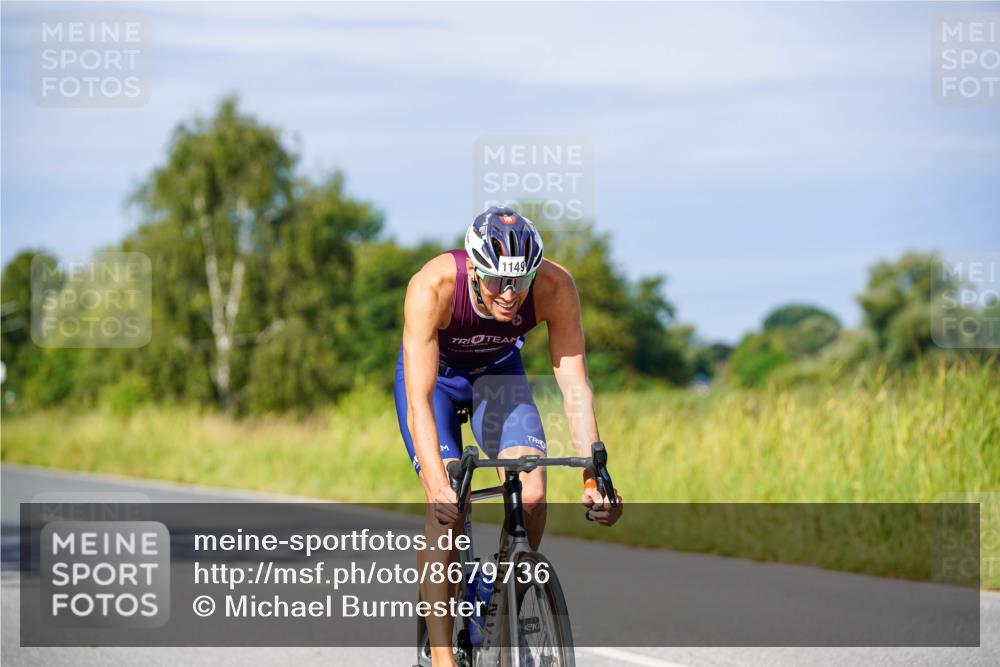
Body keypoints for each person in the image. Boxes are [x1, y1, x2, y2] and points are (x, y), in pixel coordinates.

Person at [394, 206, 623, 666]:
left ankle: (504, 595)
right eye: (498, 280)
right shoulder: (432, 286)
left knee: (533, 492)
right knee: (448, 513)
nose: (510, 293)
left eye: (520, 282)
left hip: (497, 379)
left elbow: (574, 383)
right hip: (434, 386)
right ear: (476, 269)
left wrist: (595, 474)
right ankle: (441, 655)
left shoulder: (555, 287)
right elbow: (418, 399)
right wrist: (439, 485)